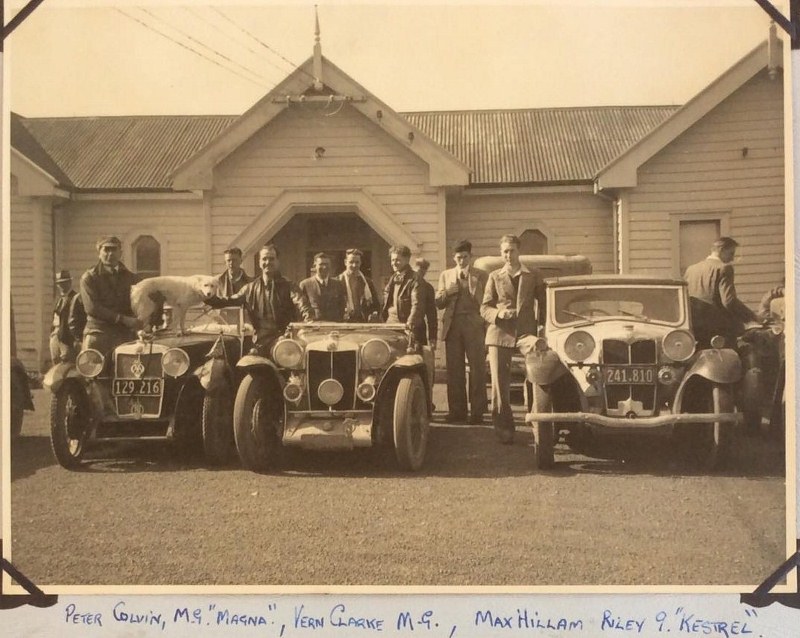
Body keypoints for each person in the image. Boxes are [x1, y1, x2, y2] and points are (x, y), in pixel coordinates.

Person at [481, 234, 546, 444]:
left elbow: (544, 304)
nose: (509, 255)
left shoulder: (532, 275)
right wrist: (498, 315)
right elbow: (484, 307)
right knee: (500, 385)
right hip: (499, 333)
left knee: (539, 372)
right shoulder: (494, 276)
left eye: (512, 251)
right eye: (505, 251)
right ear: (501, 253)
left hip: (526, 333)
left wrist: (543, 329)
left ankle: (537, 421)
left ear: (519, 251)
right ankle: (504, 429)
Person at [207, 243, 312, 354]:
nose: (267, 262)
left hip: (284, 339)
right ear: (259, 262)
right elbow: (227, 301)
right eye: (264, 259)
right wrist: (205, 295)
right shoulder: (250, 288)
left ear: (277, 262)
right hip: (258, 341)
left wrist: (309, 320)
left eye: (271, 259)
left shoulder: (289, 286)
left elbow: (302, 303)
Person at [436, 239, 488, 424]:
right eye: (458, 257)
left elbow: (488, 302)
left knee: (477, 369)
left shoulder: (481, 275)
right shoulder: (446, 275)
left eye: (465, 257)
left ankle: (477, 412)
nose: (462, 261)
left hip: (475, 324)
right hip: (453, 326)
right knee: (454, 370)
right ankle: (457, 411)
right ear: (453, 257)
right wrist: (447, 292)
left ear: (470, 257)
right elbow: (438, 302)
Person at [684, 236, 757, 347]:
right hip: (719, 330)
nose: (732, 259)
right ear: (721, 250)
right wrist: (752, 317)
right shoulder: (724, 268)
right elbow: (729, 301)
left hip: (695, 330)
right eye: (731, 254)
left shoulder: (691, 269)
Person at [79, 236, 142, 356]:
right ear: (99, 253)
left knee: (129, 372)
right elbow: (92, 308)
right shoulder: (89, 278)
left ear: (121, 253)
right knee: (94, 372)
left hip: (124, 336)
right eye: (106, 250)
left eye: (114, 250)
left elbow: (140, 301)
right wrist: (123, 319)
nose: (110, 254)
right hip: (98, 334)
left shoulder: (132, 278)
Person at [299, 252, 347, 322]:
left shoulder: (337, 284)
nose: (324, 267)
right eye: (321, 264)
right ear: (315, 265)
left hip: (334, 325)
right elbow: (302, 307)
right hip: (314, 326)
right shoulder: (305, 284)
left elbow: (342, 306)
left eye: (327, 264)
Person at [337, 248, 380, 322]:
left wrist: (374, 314)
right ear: (345, 262)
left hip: (363, 321)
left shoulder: (367, 282)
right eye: (351, 262)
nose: (354, 265)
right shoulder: (337, 281)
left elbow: (376, 304)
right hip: (344, 321)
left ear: (360, 263)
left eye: (357, 262)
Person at [49, 270, 81, 364]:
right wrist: (53, 332)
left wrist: (76, 339)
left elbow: (79, 320)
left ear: (70, 282)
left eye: (65, 282)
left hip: (67, 338)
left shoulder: (76, 298)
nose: (62, 285)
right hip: (55, 335)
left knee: (67, 363)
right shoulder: (58, 300)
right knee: (55, 361)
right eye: (59, 283)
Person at [413, 258, 438, 349]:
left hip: (418, 330)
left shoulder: (427, 288)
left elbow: (432, 315)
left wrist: (432, 338)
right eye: (418, 271)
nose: (420, 275)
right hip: (400, 327)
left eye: (423, 272)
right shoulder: (404, 284)